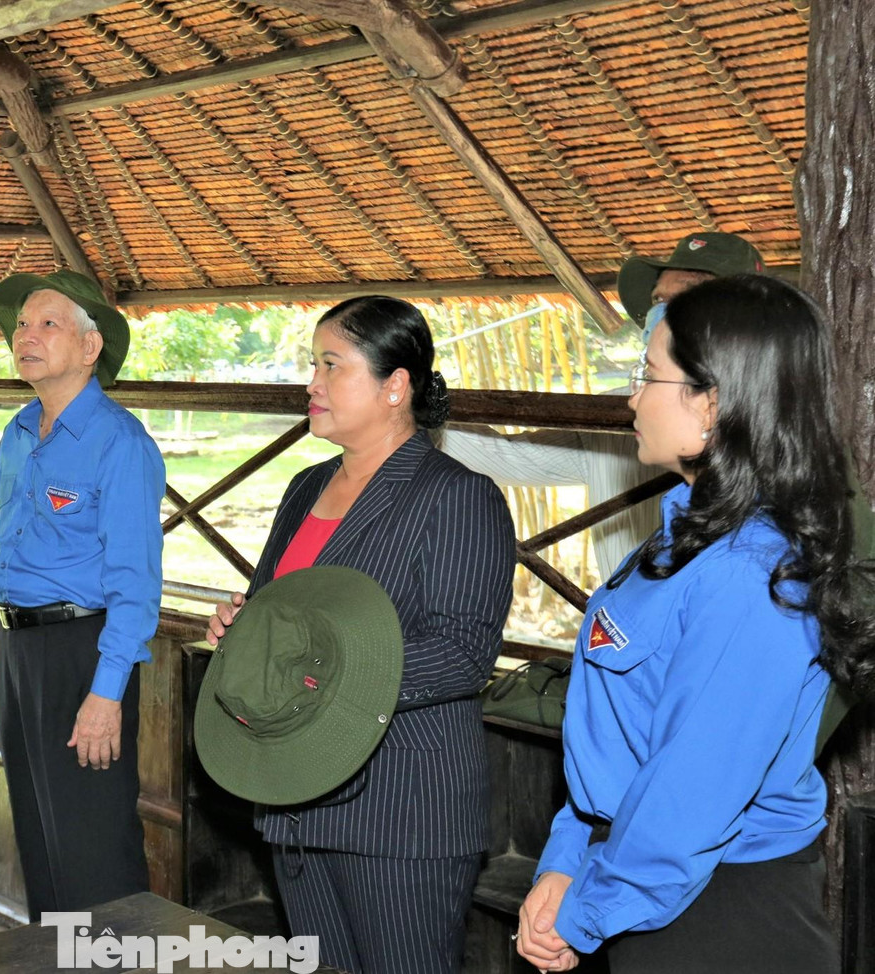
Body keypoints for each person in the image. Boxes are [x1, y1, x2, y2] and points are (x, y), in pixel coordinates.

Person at [516, 275, 874, 973]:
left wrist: (585, 911)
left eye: (648, 374)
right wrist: (566, 859)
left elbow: (690, 790)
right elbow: (619, 743)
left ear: (710, 404)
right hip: (641, 882)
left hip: (717, 916)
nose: (631, 396)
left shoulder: (753, 576)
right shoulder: (686, 533)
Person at [206, 296, 517, 974]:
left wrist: (317, 676)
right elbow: (283, 617)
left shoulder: (455, 495)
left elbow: (464, 654)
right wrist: (245, 630)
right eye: (311, 365)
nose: (311, 385)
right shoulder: (304, 487)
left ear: (395, 386)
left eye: (331, 366)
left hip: (399, 810)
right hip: (297, 794)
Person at [0, 269, 164, 921]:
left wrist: (107, 694)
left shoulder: (121, 443)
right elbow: (1, 551)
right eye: (22, 324)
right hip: (18, 650)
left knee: (94, 845)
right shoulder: (19, 433)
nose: (26, 335)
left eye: (47, 322)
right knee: (40, 838)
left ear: (89, 347)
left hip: (85, 651)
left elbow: (135, 582)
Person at [438, 231, 767, 579]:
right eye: (658, 300)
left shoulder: (781, 433)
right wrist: (411, 412)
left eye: (683, 298)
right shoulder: (616, 413)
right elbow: (505, 457)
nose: (660, 313)